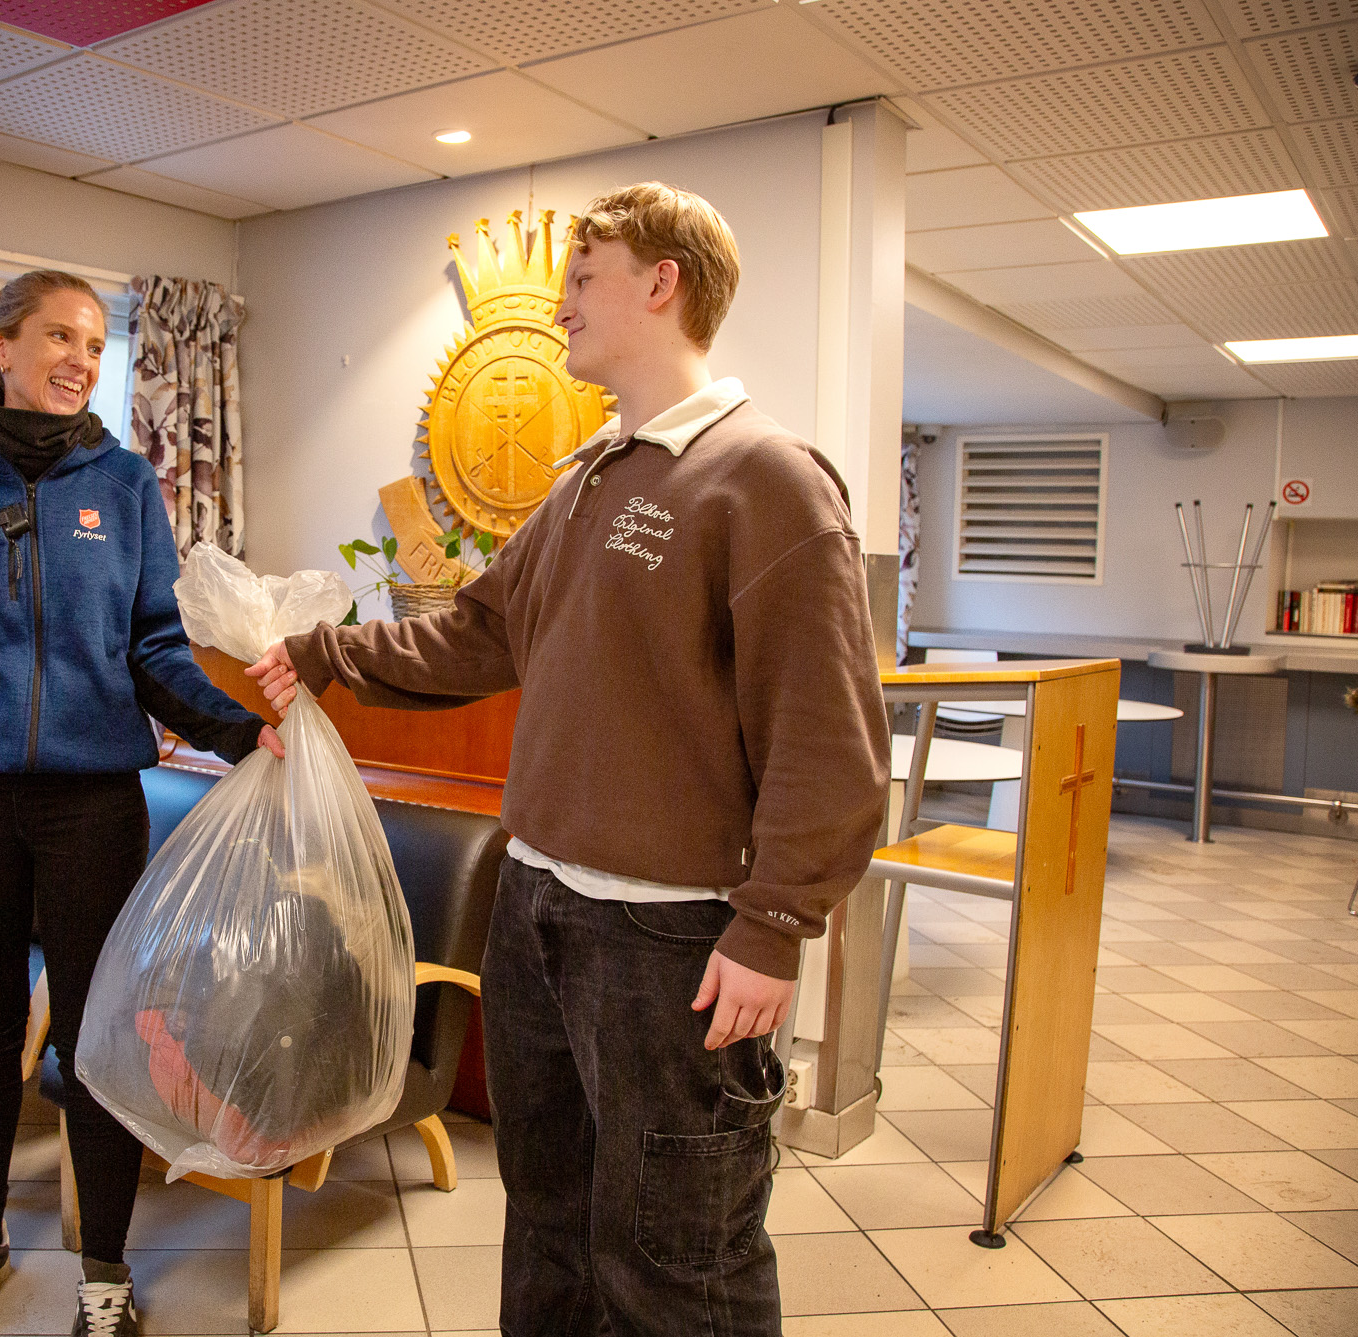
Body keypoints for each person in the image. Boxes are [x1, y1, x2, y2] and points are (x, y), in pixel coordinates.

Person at [248, 182, 889, 1335]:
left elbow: (828, 738)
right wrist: (324, 651)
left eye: (581, 278)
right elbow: (482, 630)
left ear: (662, 283)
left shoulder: (767, 479)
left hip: (669, 937)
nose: (558, 308)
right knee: (547, 1215)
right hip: (538, 902)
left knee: (676, 1253)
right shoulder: (590, 471)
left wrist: (774, 923)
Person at [0, 269, 282, 1337]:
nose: (80, 360)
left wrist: (237, 729)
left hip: (97, 802)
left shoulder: (125, 483)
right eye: (58, 336)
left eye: (95, 344)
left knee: (96, 1040)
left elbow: (149, 649)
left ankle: (104, 1269)